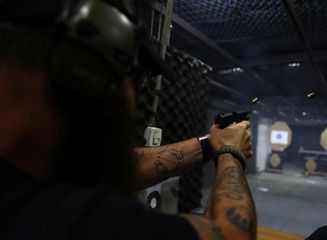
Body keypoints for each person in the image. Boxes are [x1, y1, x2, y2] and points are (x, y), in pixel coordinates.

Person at [0, 0, 257, 240]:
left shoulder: (27, 177)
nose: (132, 98)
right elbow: (231, 234)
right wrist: (229, 151)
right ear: (79, 67)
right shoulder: (74, 222)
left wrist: (209, 143)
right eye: (133, 76)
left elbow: (116, 164)